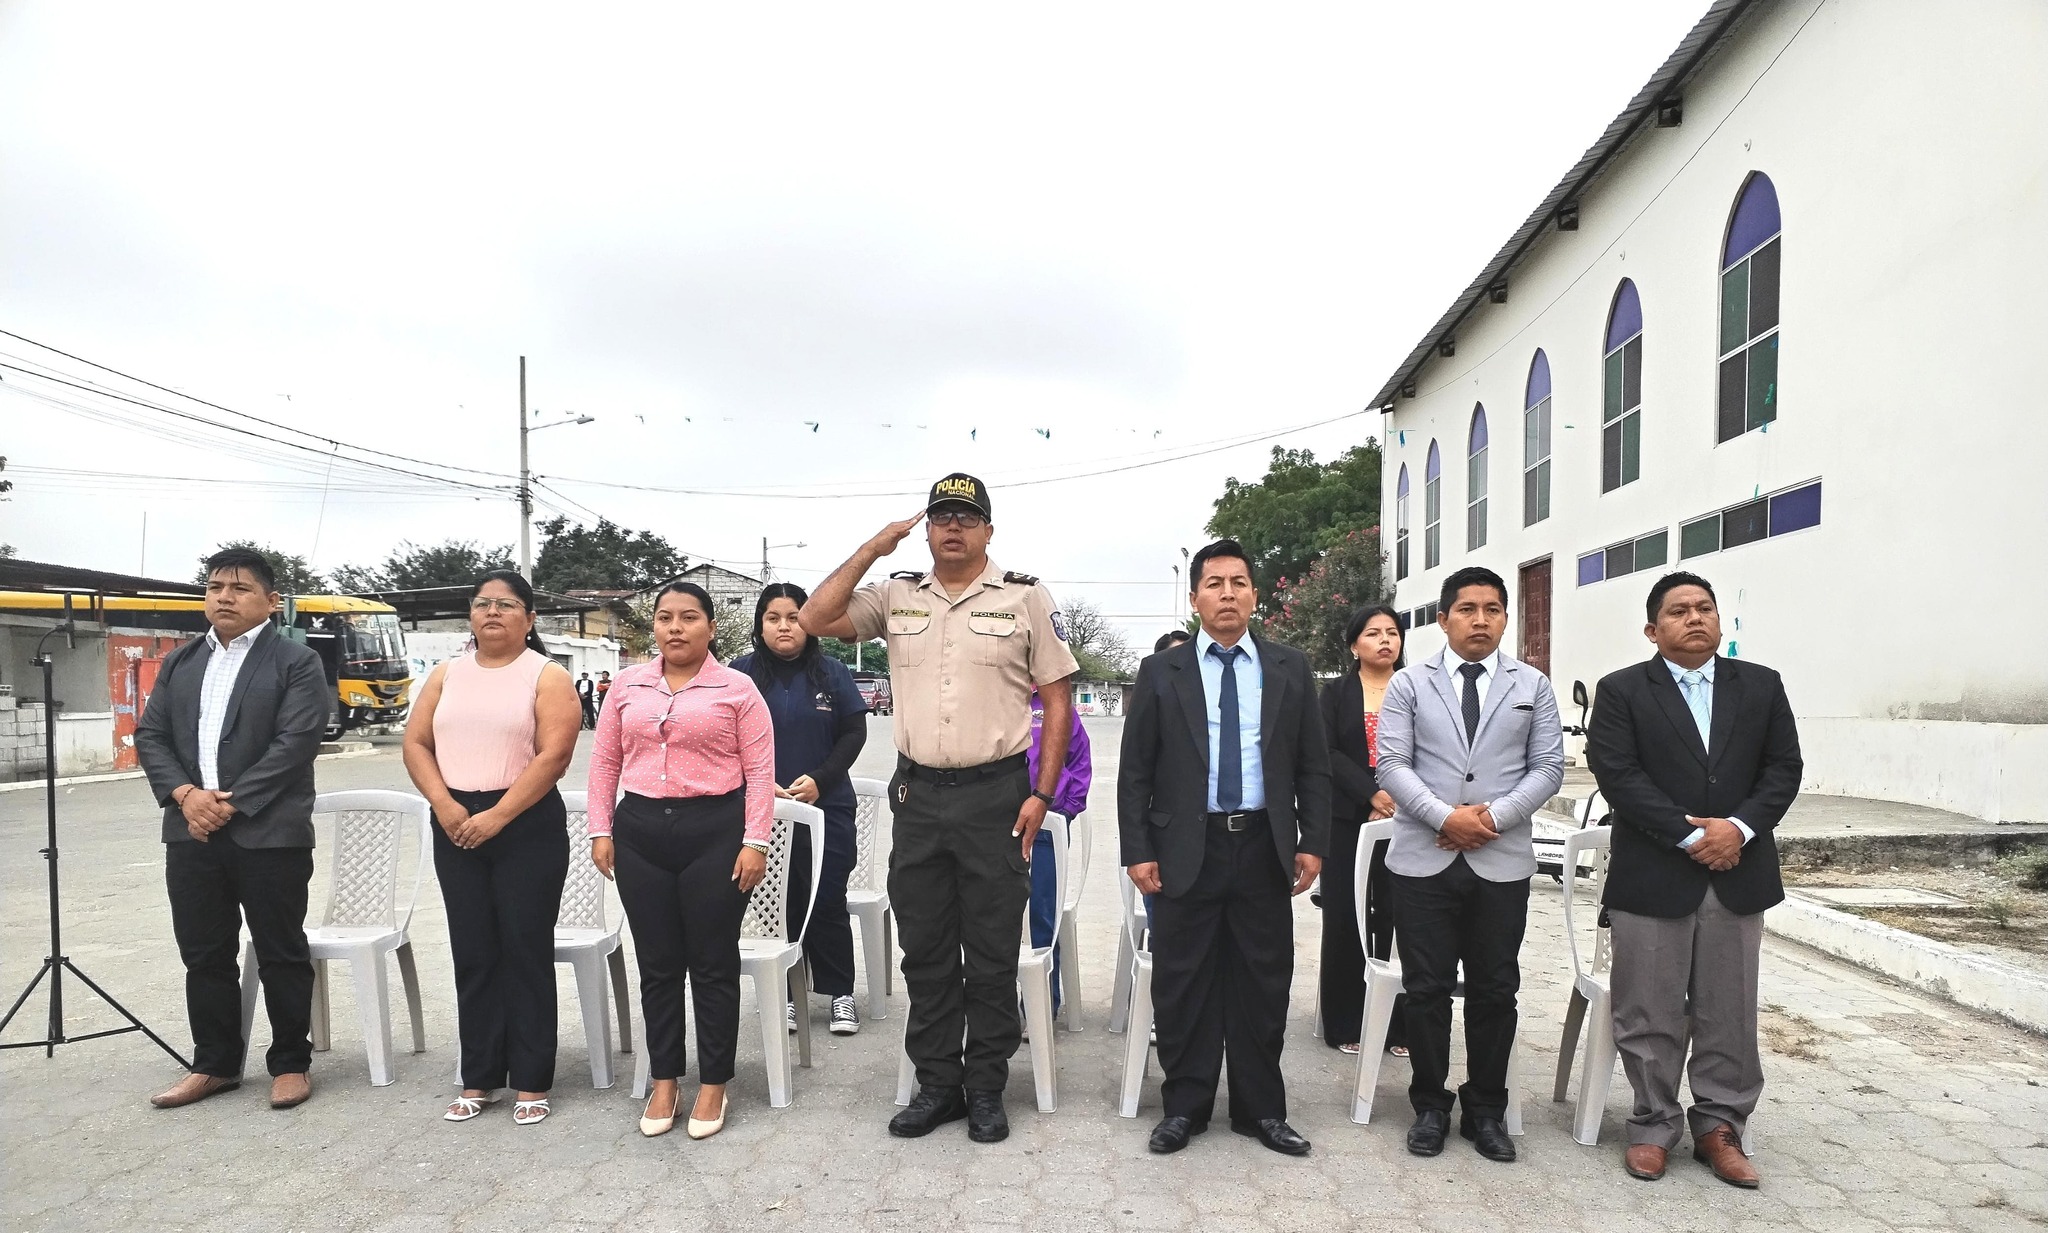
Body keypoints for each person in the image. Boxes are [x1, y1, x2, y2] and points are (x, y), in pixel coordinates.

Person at [800, 472, 1078, 1145]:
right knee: (925, 948)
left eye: (967, 517)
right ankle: (937, 1085)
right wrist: (873, 546)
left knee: (990, 949)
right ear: (925, 529)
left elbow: (1058, 698)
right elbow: (814, 618)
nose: (954, 527)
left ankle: (985, 1087)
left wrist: (1042, 793)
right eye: (942, 516)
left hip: (997, 795)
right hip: (919, 797)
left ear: (988, 529)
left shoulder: (1025, 596)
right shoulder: (897, 594)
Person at [1585, 572, 1801, 1187]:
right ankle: (1653, 1124)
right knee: (1648, 1007)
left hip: (1738, 870)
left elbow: (1784, 768)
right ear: (1652, 630)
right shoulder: (1623, 690)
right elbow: (1617, 774)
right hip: (1654, 873)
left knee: (1728, 1009)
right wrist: (1691, 837)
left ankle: (1719, 1127)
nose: (1695, 618)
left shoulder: (1760, 685)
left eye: (1704, 608)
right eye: (1678, 611)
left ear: (1719, 621)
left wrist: (1738, 829)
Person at [1118, 538, 1331, 1157]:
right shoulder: (1162, 672)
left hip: (1264, 845)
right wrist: (1137, 850)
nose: (1228, 594)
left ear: (1255, 595)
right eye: (1215, 584)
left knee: (1263, 980)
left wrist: (1313, 841)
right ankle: (1184, 1107)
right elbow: (1135, 770)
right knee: (1183, 982)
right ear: (1195, 599)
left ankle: (1261, 1110)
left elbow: (1313, 765)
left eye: (1239, 583)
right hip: (1186, 848)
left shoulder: (1289, 668)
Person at [1376, 565, 1563, 1164]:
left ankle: (1486, 1109)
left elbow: (1548, 768)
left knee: (1495, 990)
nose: (1480, 620)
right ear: (1443, 619)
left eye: (1492, 609)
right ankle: (1430, 1106)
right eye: (1467, 609)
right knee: (1426, 989)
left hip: (1500, 859)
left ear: (1506, 618)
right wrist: (1444, 817)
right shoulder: (1409, 684)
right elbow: (1392, 764)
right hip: (1423, 858)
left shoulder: (1533, 685)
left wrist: (1492, 819)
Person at [135, 547, 330, 1111]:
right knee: (204, 954)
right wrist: (185, 796)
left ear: (271, 601)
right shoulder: (181, 662)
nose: (224, 597)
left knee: (280, 951)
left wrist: (229, 804)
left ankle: (290, 1062)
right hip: (190, 833)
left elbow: (295, 743)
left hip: (270, 834)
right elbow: (151, 736)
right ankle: (214, 1064)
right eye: (215, 587)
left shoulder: (296, 662)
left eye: (240, 588)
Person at [587, 582, 774, 1142]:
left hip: (715, 833)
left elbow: (760, 772)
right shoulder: (627, 686)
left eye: (689, 617)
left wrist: (756, 842)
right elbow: (605, 762)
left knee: (712, 962)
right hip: (641, 833)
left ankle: (714, 1082)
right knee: (658, 963)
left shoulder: (737, 689)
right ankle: (665, 1080)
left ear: (711, 628)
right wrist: (601, 829)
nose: (675, 627)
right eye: (664, 617)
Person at [402, 570, 582, 1125]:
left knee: (524, 950)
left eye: (506, 605)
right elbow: (416, 743)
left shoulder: (547, 675)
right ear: (471, 615)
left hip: (525, 824)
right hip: (455, 822)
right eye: (482, 604)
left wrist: (498, 816)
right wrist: (444, 805)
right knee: (473, 950)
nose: (493, 612)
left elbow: (554, 756)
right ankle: (479, 1074)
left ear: (529, 618)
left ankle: (531, 1079)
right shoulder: (445, 674)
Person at [730, 582, 869, 1037]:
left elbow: (854, 734)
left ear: (809, 623)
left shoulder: (832, 673)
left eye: (794, 617)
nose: (784, 627)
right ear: (760, 625)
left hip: (827, 806)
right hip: (762, 810)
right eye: (773, 618)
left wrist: (821, 779)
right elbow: (724, 739)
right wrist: (758, 785)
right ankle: (789, 994)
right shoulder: (740, 675)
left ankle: (840, 992)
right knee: (781, 902)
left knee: (827, 898)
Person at [1317, 604, 1406, 1057]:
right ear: (1354, 645)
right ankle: (1344, 1021)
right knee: (1346, 916)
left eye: (1392, 632)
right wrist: (1371, 795)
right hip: (1346, 819)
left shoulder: (1417, 688)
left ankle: (1400, 1026)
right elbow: (1326, 752)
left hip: (1407, 816)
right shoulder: (1335, 694)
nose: (1385, 640)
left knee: (1400, 916)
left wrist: (1398, 798)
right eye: (1373, 633)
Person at [1025, 686, 1090, 1021]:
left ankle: (1040, 1006)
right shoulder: (994, 694)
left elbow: (1080, 759)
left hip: (1046, 826)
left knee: (1041, 915)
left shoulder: (1053, 703)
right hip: (993, 826)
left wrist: (1066, 809)